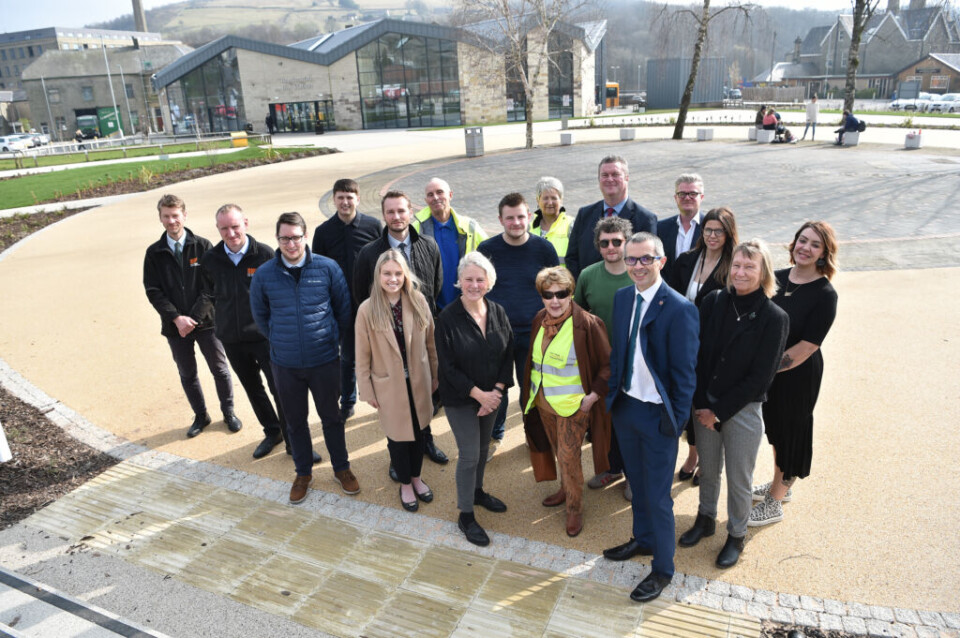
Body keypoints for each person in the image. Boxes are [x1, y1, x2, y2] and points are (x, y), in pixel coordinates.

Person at [602, 232, 699, 603]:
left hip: (658, 417)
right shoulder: (623, 297)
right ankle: (643, 540)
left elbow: (685, 377)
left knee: (658, 496)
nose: (638, 266)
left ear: (661, 260)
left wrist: (674, 422)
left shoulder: (679, 309)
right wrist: (615, 396)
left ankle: (663, 568)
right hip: (626, 408)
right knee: (638, 485)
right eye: (632, 259)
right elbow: (618, 353)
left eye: (646, 259)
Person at [679, 239, 788, 569]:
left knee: (740, 478)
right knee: (709, 469)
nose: (741, 272)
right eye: (737, 265)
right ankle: (705, 518)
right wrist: (702, 404)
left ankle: (736, 534)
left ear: (763, 271)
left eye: (749, 267)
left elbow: (760, 378)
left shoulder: (774, 317)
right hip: (704, 404)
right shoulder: (714, 301)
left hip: (742, 410)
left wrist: (719, 412)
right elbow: (696, 355)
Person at [250, 212, 357, 503]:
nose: (290, 244)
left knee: (332, 418)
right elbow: (260, 316)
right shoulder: (264, 275)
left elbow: (343, 310)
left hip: (324, 360)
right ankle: (303, 473)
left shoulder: (328, 268)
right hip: (285, 364)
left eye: (296, 237)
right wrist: (280, 339)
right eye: (284, 238)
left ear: (305, 236)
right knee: (295, 422)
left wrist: (329, 339)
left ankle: (342, 468)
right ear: (277, 239)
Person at [750, 222, 839, 526]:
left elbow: (807, 346)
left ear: (824, 253)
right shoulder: (775, 278)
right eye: (803, 240)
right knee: (776, 429)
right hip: (769, 371)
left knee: (792, 432)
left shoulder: (825, 294)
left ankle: (775, 500)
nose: (806, 248)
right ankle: (779, 483)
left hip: (798, 374)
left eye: (815, 244)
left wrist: (767, 367)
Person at [354, 191, 448, 467]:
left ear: (411, 212)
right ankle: (398, 458)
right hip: (387, 342)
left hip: (418, 337)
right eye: (390, 212)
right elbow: (361, 293)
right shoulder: (369, 253)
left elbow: (436, 286)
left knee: (422, 402)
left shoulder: (429, 245)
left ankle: (426, 442)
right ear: (384, 215)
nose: (396, 217)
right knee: (395, 410)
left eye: (401, 211)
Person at [521, 266, 611, 537]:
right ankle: (565, 489)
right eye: (548, 295)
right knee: (557, 451)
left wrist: (593, 396)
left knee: (569, 457)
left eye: (561, 294)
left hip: (574, 407)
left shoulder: (588, 324)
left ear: (571, 293)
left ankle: (574, 507)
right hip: (544, 403)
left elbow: (608, 365)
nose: (555, 300)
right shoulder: (539, 319)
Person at [200, 204, 294, 459]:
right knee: (253, 389)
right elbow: (209, 293)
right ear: (218, 229)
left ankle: (292, 441)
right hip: (232, 339)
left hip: (265, 339)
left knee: (279, 389)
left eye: (235, 226)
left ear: (246, 224)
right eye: (224, 228)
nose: (231, 233)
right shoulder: (210, 260)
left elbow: (280, 295)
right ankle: (272, 431)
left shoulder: (265, 255)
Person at [143, 194, 239, 439]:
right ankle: (201, 415)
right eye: (166, 216)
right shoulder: (154, 253)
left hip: (207, 323)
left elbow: (212, 285)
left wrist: (193, 318)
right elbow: (153, 290)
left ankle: (228, 412)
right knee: (187, 374)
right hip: (175, 327)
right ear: (160, 218)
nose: (171, 221)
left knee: (220, 370)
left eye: (175, 215)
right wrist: (177, 318)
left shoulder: (203, 246)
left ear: (184, 215)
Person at [435, 252, 514, 547]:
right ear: (459, 281)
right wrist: (479, 395)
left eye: (480, 279)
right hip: (461, 398)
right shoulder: (447, 318)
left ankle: (477, 492)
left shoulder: (498, 311)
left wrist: (496, 391)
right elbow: (447, 367)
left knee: (482, 449)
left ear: (489, 282)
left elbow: (508, 353)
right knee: (469, 454)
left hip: (492, 396)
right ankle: (465, 515)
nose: (474, 285)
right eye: (468, 279)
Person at [355, 250, 439, 512]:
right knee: (398, 438)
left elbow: (431, 343)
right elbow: (362, 355)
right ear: (378, 275)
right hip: (388, 386)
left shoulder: (418, 301)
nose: (393, 279)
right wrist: (366, 389)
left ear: (405, 275)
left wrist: (435, 376)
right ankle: (405, 483)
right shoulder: (367, 309)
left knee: (420, 431)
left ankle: (416, 477)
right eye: (387, 273)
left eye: (398, 273)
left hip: (419, 382)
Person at [478, 192, 560, 458]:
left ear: (529, 217)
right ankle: (494, 434)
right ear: (500, 219)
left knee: (532, 390)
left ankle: (532, 433)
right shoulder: (486, 250)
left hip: (534, 332)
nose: (516, 222)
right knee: (496, 389)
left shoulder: (544, 249)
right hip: (496, 333)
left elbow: (556, 289)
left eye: (521, 217)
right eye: (510, 218)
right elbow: (477, 289)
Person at [668, 206, 740, 483]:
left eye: (719, 231)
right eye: (708, 229)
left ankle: (707, 462)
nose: (712, 235)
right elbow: (670, 296)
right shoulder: (687, 259)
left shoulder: (734, 266)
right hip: (683, 343)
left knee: (707, 403)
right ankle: (693, 454)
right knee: (687, 402)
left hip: (714, 347)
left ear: (728, 234)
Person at [312, 178, 383, 423]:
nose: (345, 202)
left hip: (371, 303)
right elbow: (317, 270)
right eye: (340, 197)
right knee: (348, 357)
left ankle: (383, 397)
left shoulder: (373, 226)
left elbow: (384, 262)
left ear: (358, 199)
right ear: (334, 199)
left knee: (380, 354)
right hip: (340, 306)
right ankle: (348, 401)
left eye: (349, 197)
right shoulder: (323, 232)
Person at [573, 216, 633, 496]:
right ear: (598, 246)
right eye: (605, 242)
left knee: (631, 421)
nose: (611, 247)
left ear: (626, 243)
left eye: (617, 242)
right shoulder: (587, 275)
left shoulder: (639, 273)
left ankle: (633, 475)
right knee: (604, 421)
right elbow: (578, 317)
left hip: (633, 362)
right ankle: (612, 467)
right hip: (600, 364)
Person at [564, 155, 657, 279]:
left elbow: (647, 263)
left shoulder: (645, 219)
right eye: (605, 175)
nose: (610, 179)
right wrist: (582, 285)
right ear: (599, 179)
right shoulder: (584, 215)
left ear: (627, 178)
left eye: (615, 174)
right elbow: (572, 258)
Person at [414, 177, 487, 310]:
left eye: (439, 192)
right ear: (426, 200)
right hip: (430, 308)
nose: (435, 197)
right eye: (430, 195)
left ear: (450, 195)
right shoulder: (415, 229)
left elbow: (491, 257)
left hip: (466, 305)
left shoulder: (470, 226)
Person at [658, 173, 705, 282]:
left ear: (701, 197)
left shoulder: (710, 228)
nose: (687, 198)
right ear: (676, 198)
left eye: (693, 193)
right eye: (682, 194)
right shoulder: (661, 228)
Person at [530, 176, 571, 264]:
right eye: (545, 198)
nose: (550, 202)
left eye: (554, 198)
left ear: (561, 200)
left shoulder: (572, 225)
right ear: (538, 200)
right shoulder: (528, 229)